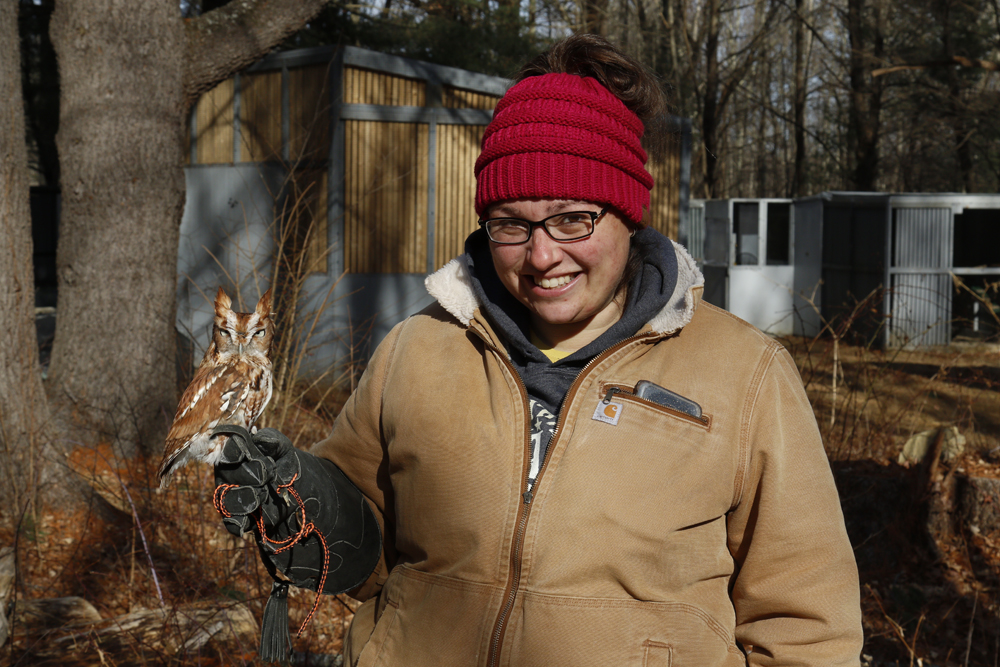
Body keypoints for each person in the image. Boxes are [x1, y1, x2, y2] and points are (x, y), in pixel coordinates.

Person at [212, 33, 864, 667]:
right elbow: (365, 544)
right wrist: (299, 500)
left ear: (628, 213)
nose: (542, 253)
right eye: (511, 224)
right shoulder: (421, 347)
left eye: (572, 217)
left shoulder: (742, 372)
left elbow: (806, 628)